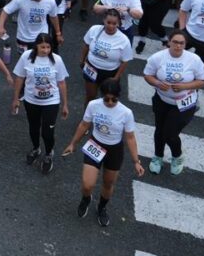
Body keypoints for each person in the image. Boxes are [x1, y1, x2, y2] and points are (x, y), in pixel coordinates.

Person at [61, 79, 144, 228]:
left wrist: (136, 161)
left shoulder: (126, 113)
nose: (110, 102)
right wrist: (73, 143)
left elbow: (130, 137)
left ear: (119, 97)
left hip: (115, 150)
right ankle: (86, 199)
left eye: (114, 99)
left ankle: (102, 207)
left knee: (108, 183)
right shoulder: (94, 105)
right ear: (102, 96)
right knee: (87, 184)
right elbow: (84, 124)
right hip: (96, 145)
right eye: (106, 99)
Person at [144, 29, 204, 175]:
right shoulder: (157, 57)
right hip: (162, 100)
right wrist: (158, 83)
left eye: (181, 43)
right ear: (169, 43)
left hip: (184, 103)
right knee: (159, 130)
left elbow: (202, 81)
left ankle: (177, 156)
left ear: (185, 44)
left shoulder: (194, 59)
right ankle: (157, 156)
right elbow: (148, 75)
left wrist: (184, 86)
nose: (178, 46)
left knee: (170, 133)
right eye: (175, 42)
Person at [11, 33, 69, 174]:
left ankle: (49, 154)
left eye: (48, 47)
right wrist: (15, 99)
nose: (45, 50)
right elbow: (19, 78)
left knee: (47, 132)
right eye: (42, 47)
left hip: (51, 101)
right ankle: (36, 148)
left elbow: (61, 82)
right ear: (36, 45)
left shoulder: (57, 60)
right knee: (33, 128)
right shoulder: (26, 57)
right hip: (31, 100)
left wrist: (65, 104)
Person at [79, 9, 133, 104]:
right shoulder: (94, 29)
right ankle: (87, 117)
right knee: (90, 97)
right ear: (103, 20)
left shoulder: (124, 40)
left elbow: (125, 61)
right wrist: (82, 60)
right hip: (91, 68)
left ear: (118, 23)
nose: (111, 26)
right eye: (108, 22)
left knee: (108, 99)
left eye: (114, 23)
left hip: (110, 73)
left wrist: (116, 78)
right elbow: (86, 45)